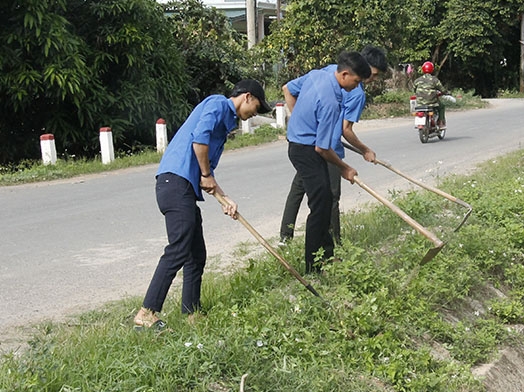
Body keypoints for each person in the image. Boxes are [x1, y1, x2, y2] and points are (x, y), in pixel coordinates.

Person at [134, 79, 272, 330]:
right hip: (174, 183)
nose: (254, 114)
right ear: (247, 97)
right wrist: (208, 176)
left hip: (183, 186)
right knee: (179, 247)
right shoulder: (218, 104)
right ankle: (146, 312)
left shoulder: (225, 123)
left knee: (196, 255)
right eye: (256, 108)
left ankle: (191, 313)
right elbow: (199, 141)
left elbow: (204, 174)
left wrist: (224, 199)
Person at [279, 45, 389, 244]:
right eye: (370, 75)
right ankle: (333, 244)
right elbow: (345, 131)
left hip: (304, 144)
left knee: (300, 188)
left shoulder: (326, 71)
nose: (367, 81)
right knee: (328, 199)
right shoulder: (354, 93)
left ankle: (286, 238)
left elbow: (288, 88)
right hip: (326, 150)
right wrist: (362, 152)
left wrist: (302, 123)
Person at [286, 50, 373, 273]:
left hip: (298, 143)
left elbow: (289, 89)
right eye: (356, 81)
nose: (356, 86)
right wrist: (345, 168)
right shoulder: (331, 103)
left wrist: (300, 119)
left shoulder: (317, 74)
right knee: (320, 206)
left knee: (324, 200)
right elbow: (322, 148)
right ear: (345, 74)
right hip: (306, 151)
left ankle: (327, 254)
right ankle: (313, 267)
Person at [413, 61, 446, 128]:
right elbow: (442, 89)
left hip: (420, 103)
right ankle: (440, 123)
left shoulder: (417, 80)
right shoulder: (434, 80)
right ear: (432, 69)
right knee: (442, 106)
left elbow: (414, 90)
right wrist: (445, 92)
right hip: (432, 103)